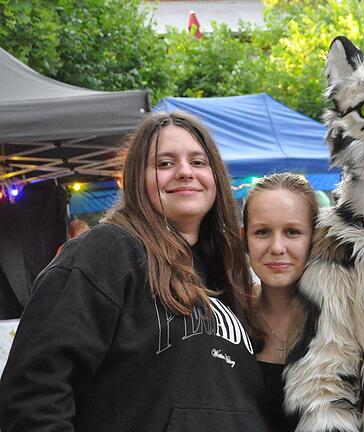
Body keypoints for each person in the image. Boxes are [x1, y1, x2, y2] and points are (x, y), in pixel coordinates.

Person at [0, 112, 269, 432]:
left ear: (217, 178)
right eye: (165, 163)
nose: (185, 172)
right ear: (137, 179)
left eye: (198, 162)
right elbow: (32, 393)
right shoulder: (106, 251)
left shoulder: (226, 275)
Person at [242, 172, 318, 432]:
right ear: (245, 238)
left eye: (292, 232)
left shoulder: (346, 324)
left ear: (315, 238)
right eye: (262, 232)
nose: (277, 247)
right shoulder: (226, 321)